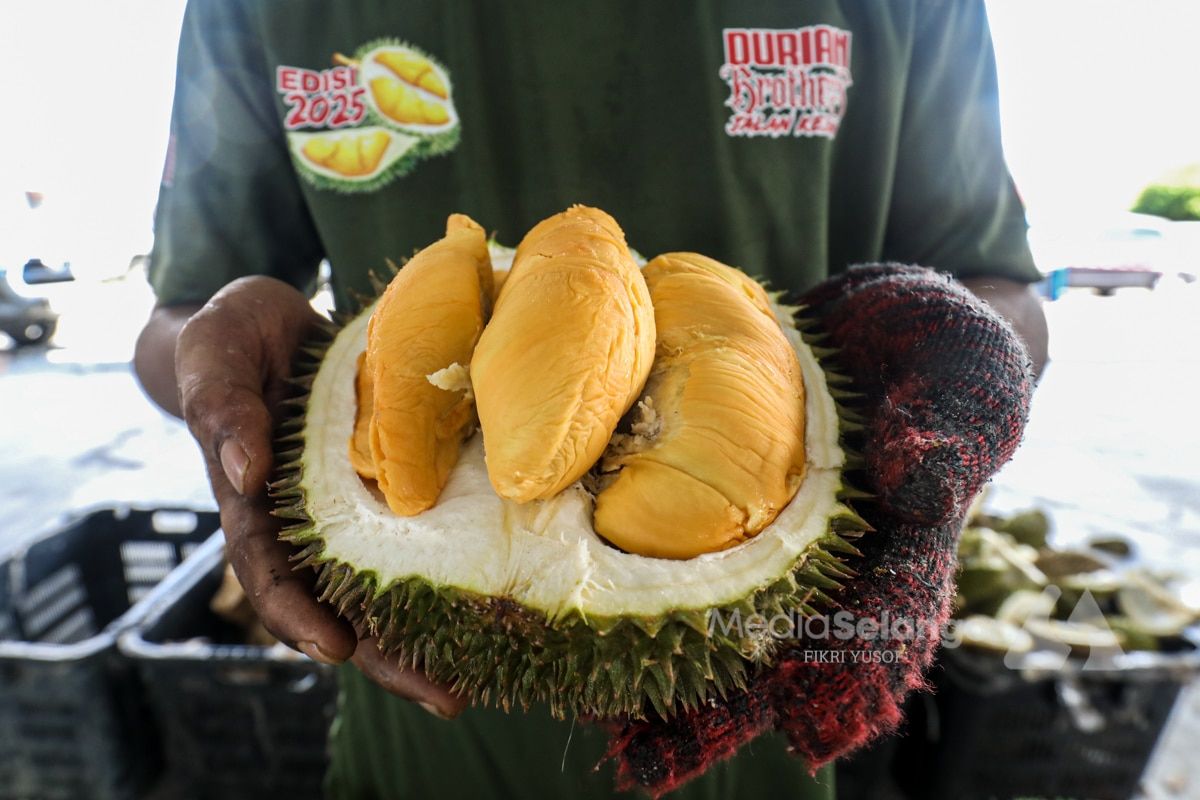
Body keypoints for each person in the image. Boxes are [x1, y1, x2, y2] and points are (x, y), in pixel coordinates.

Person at [135, 1, 1048, 797]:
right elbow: (175, 323)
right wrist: (210, 349)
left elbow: (1003, 289)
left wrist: (950, 345)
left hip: (765, 722)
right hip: (414, 747)